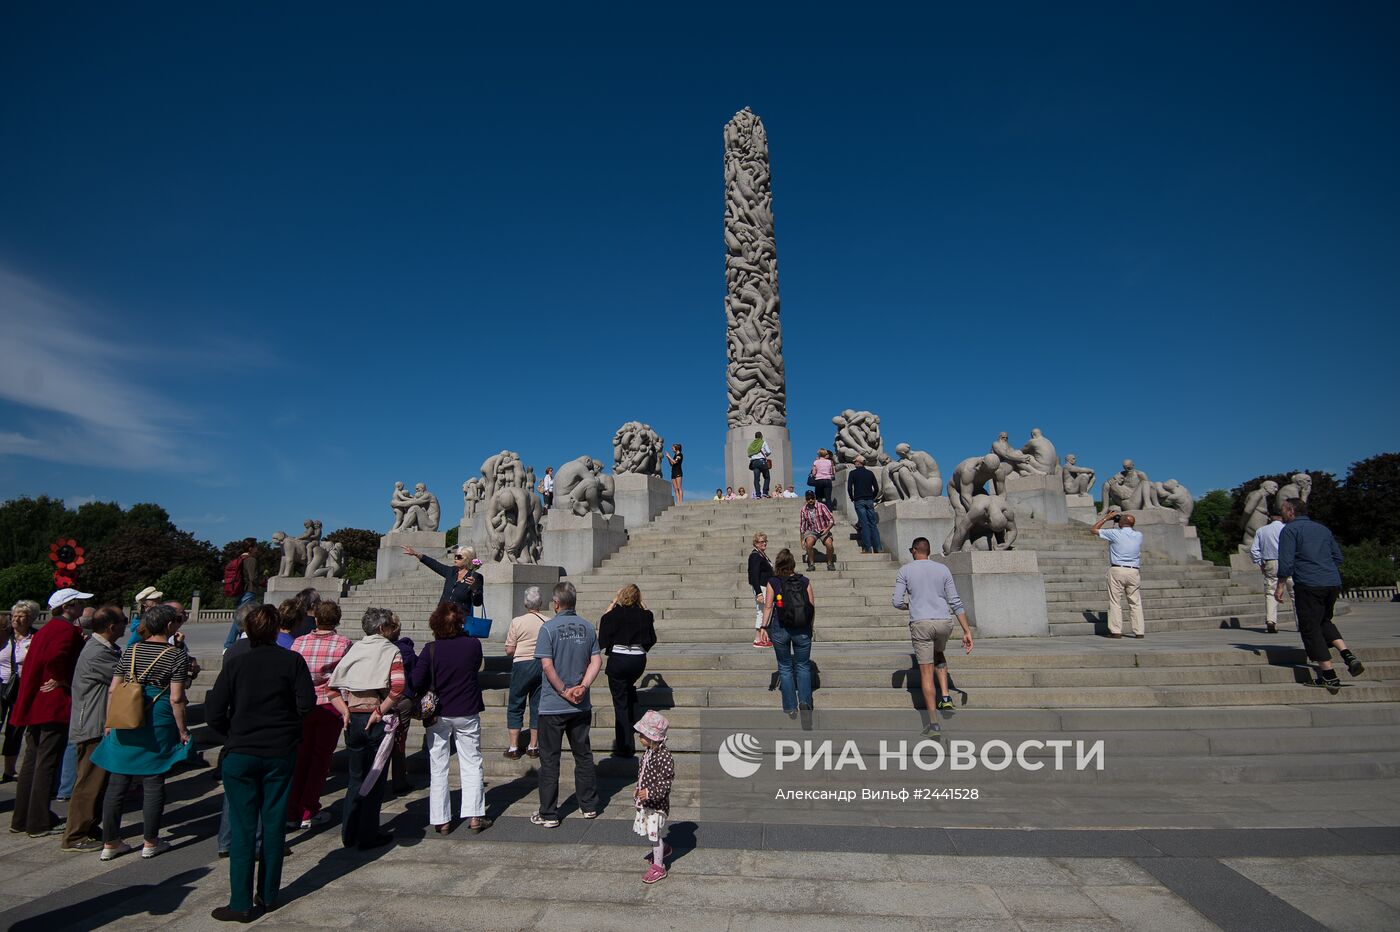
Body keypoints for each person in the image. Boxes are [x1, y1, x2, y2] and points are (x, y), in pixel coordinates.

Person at [206, 604, 315, 922]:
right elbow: (307, 704)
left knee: (242, 827)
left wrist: (233, 732)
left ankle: (240, 902)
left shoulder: (236, 662)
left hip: (241, 750)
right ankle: (268, 894)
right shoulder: (292, 660)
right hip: (279, 751)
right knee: (273, 823)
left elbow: (214, 711)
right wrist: (289, 728)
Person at [93, 603, 190, 859]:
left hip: (125, 716)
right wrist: (183, 729)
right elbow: (177, 698)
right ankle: (150, 841)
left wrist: (109, 721)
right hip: (156, 718)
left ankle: (110, 843)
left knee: (117, 781)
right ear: (169, 626)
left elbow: (114, 688)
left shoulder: (132, 650)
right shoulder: (176, 655)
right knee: (154, 780)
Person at [9, 589, 87, 837]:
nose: (82, 608)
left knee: (33, 761)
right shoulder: (64, 630)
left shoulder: (48, 629)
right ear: (69, 606)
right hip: (51, 705)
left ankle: (22, 818)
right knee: (46, 763)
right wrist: (61, 679)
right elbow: (56, 658)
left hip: (36, 704)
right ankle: (39, 820)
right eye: (79, 603)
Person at [327, 607, 403, 850]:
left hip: (354, 719)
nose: (393, 629)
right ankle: (368, 834)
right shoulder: (391, 650)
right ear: (382, 629)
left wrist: (345, 710)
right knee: (376, 778)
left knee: (355, 778)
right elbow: (399, 687)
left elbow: (331, 689)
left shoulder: (354, 649)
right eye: (391, 625)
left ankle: (349, 832)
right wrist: (380, 711)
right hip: (375, 717)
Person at [414, 602, 490, 835]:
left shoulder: (431, 649)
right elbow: (476, 667)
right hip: (466, 708)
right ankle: (475, 815)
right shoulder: (472, 645)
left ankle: (441, 819)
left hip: (439, 711)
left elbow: (416, 681)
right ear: (460, 623)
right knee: (471, 761)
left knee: (438, 766)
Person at [531, 582, 602, 828]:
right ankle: (589, 805)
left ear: (556, 603)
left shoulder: (548, 629)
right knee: (583, 755)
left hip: (553, 705)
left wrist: (563, 690)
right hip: (580, 705)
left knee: (550, 760)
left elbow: (547, 665)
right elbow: (596, 661)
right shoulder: (588, 627)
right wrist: (583, 687)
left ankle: (549, 813)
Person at [1276, 499, 1364, 694]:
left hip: (1309, 583)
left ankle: (1329, 675)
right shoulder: (1322, 529)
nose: (1280, 513)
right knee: (1324, 620)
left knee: (1310, 626)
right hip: (1332, 582)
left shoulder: (1290, 530)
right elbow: (1338, 557)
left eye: (1282, 510)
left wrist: (1280, 586)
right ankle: (1347, 655)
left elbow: (1286, 562)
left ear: (1291, 511)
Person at [892, 537, 973, 735]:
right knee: (940, 654)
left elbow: (896, 601)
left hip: (921, 622)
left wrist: (910, 605)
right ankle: (945, 696)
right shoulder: (943, 569)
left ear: (913, 551)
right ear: (928, 550)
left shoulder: (905, 570)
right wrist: (966, 630)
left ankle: (933, 723)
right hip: (944, 621)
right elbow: (955, 601)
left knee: (926, 673)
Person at [60, 605, 124, 852]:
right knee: (89, 783)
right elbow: (126, 676)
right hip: (91, 725)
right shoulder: (98, 652)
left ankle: (88, 828)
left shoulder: (103, 648)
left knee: (96, 782)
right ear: (111, 626)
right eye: (122, 621)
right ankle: (75, 835)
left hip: (95, 722)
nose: (125, 625)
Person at [287, 600, 352, 830]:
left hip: (301, 705)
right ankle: (308, 809)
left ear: (316, 619)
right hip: (329, 705)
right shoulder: (343, 644)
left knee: (300, 757)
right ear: (337, 620)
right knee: (320, 761)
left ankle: (292, 809)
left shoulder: (299, 642)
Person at [598, 585, 657, 758]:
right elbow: (651, 635)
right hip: (637, 661)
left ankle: (624, 746)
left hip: (618, 660)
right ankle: (633, 715)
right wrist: (642, 604)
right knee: (629, 686)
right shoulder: (645, 616)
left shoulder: (613, 615)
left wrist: (613, 602)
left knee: (620, 703)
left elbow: (603, 635)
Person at [759, 549, 815, 716]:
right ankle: (805, 701)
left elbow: (768, 607)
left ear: (778, 564)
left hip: (780, 628)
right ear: (793, 564)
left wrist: (763, 627)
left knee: (784, 667)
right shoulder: (804, 581)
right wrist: (810, 626)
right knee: (803, 666)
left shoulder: (773, 582)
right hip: (802, 629)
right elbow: (811, 606)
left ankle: (790, 706)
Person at [503, 587, 547, 760]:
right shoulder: (547, 621)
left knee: (516, 704)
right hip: (541, 664)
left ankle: (514, 747)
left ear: (525, 603)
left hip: (521, 664)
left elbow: (509, 650)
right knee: (537, 705)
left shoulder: (517, 621)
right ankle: (533, 746)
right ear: (541, 603)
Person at [633, 710, 674, 885]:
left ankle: (659, 867)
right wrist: (639, 789)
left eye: (642, 734)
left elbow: (665, 782)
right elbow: (643, 774)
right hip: (648, 801)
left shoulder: (663, 756)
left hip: (657, 803)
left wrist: (650, 793)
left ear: (653, 737)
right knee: (651, 832)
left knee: (654, 834)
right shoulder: (648, 752)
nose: (639, 737)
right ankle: (663, 849)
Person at [1, 599, 40, 782]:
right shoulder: (3, 635)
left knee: (15, 728)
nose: (16, 619)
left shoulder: (36, 637)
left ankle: (9, 770)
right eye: (14, 615)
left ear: (31, 618)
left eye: (21, 616)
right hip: (1, 684)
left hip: (22, 686)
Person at [1090, 511, 1144, 639]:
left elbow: (1093, 529)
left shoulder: (1114, 533)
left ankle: (1116, 631)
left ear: (1120, 522)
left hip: (1118, 569)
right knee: (1135, 603)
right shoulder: (1138, 535)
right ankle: (1139, 631)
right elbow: (1129, 526)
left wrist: (1107, 518)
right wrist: (1122, 521)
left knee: (1115, 601)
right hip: (1134, 571)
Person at [401, 545, 484, 618]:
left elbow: (478, 603)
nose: (455, 559)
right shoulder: (451, 572)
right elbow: (435, 564)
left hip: (460, 620)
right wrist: (416, 554)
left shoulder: (476, 577)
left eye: (459, 557)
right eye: (455, 556)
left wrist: (474, 588)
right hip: (442, 617)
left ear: (467, 559)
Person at [1250, 510, 1288, 634]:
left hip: (1270, 562)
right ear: (1282, 516)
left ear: (1271, 517)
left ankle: (1271, 620)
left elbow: (1254, 550)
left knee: (1271, 592)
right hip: (1288, 561)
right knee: (1294, 593)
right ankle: (1301, 622)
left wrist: (1260, 562)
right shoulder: (1287, 528)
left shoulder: (1262, 530)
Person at [222, 539, 263, 652]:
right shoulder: (251, 559)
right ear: (250, 548)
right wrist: (263, 581)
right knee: (242, 617)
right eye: (256, 547)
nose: (257, 549)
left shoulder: (240, 558)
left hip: (240, 590)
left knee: (240, 616)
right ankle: (229, 644)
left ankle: (235, 642)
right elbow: (252, 578)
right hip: (248, 590)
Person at [847, 455, 882, 553]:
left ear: (859, 463)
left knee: (864, 524)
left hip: (859, 500)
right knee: (873, 524)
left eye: (855, 462)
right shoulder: (870, 473)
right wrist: (872, 496)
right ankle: (878, 547)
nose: (854, 463)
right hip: (869, 500)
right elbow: (876, 488)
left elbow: (849, 488)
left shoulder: (853, 473)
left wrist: (852, 497)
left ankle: (867, 548)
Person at [799, 490, 837, 572]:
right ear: (806, 499)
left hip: (823, 529)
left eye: (812, 498)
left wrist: (827, 529)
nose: (810, 500)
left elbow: (831, 520)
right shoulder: (803, 510)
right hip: (811, 531)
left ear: (815, 498)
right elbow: (802, 526)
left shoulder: (822, 506)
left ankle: (830, 563)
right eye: (808, 498)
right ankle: (811, 564)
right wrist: (802, 540)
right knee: (808, 544)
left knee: (829, 544)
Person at [748, 533, 774, 649]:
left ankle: (763, 637)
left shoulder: (762, 555)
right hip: (761, 587)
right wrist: (758, 593)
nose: (763, 543)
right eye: (760, 542)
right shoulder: (755, 556)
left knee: (764, 611)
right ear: (755, 543)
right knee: (761, 612)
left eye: (764, 541)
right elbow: (753, 575)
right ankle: (758, 638)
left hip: (766, 587)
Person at [747, 431, 772, 498]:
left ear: (755, 437)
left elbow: (749, 454)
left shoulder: (752, 445)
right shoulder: (763, 442)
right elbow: (769, 452)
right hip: (762, 462)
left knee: (756, 479)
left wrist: (755, 455)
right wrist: (765, 455)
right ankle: (765, 492)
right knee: (767, 477)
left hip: (754, 463)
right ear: (761, 436)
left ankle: (758, 494)